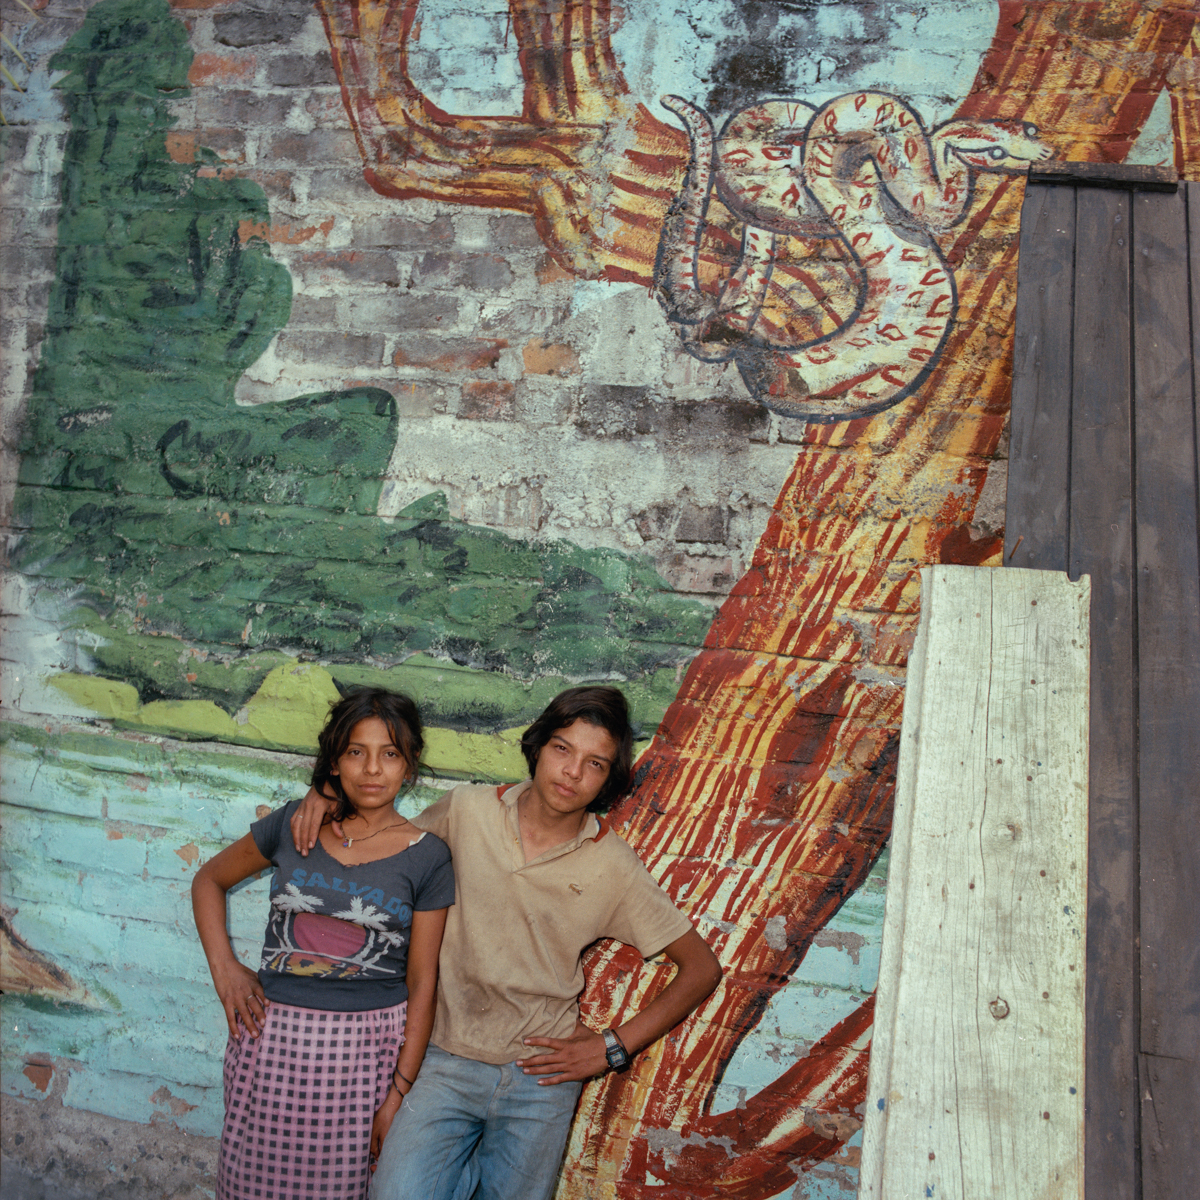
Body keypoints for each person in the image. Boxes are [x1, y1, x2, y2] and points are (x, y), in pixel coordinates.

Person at [290, 685, 722, 1200]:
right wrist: (327, 793)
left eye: (595, 764)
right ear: (538, 746)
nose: (572, 772)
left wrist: (611, 1050)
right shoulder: (466, 810)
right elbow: (388, 849)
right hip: (445, 1055)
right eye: (562, 749)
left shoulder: (613, 866)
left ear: (608, 778)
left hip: (540, 1078)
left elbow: (701, 968)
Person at [193, 688, 455, 1200]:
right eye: (356, 752)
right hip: (270, 1045)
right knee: (250, 1185)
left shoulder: (428, 858)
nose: (372, 769)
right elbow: (208, 880)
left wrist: (397, 1092)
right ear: (335, 761)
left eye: (390, 753)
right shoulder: (295, 825)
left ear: (410, 763)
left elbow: (423, 982)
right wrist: (225, 967)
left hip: (363, 1057)